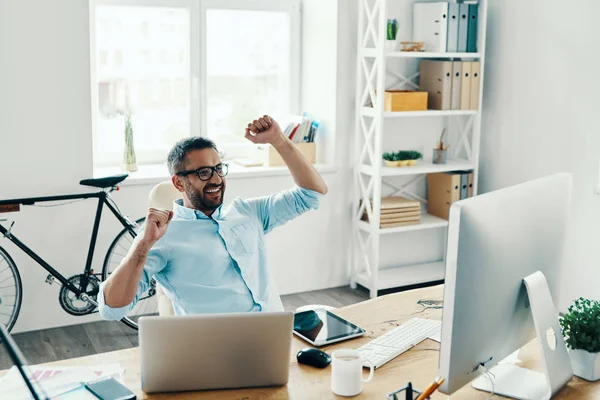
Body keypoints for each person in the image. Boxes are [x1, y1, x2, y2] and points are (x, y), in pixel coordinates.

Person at [98, 115, 328, 319]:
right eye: (204, 172)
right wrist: (141, 247)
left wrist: (278, 140)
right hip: (216, 351)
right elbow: (111, 309)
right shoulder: (162, 235)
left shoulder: (248, 212)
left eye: (219, 169)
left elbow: (313, 193)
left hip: (275, 337)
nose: (216, 179)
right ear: (179, 182)